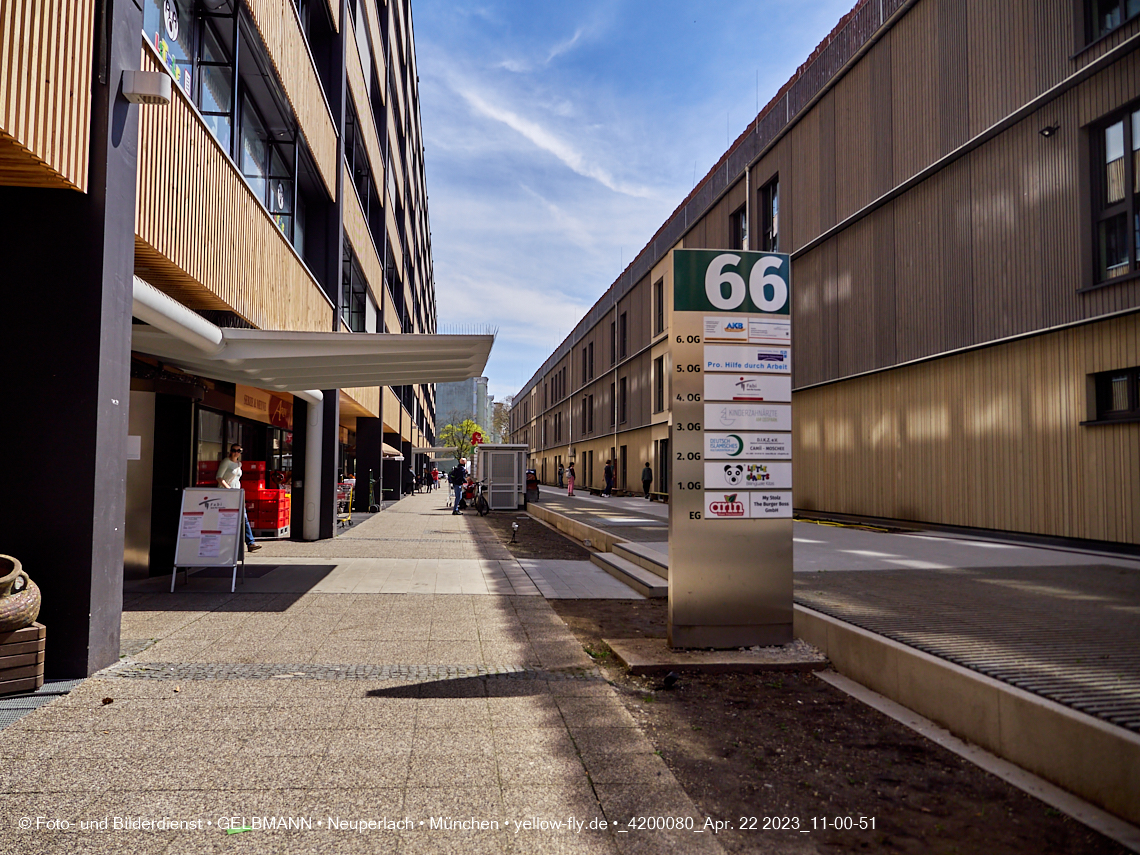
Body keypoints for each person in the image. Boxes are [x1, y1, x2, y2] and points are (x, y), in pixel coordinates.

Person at [216, 444, 261, 552]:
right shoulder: (226, 462)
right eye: (234, 450)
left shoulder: (239, 464)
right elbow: (219, 477)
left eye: (239, 450)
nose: (236, 452)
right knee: (227, 517)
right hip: (227, 494)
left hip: (237, 493)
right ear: (230, 451)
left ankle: (250, 543)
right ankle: (226, 542)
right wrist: (229, 489)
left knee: (243, 516)